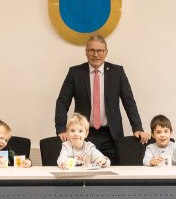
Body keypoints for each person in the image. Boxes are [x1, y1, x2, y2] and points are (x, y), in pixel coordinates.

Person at [54, 34, 148, 166]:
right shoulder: (75, 73)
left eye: (100, 51)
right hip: (84, 134)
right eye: (91, 50)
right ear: (86, 52)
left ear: (106, 52)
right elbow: (62, 102)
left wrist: (137, 127)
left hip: (112, 134)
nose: (96, 54)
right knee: (84, 172)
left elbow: (129, 102)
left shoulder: (117, 72)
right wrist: (61, 129)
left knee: (113, 171)